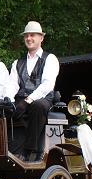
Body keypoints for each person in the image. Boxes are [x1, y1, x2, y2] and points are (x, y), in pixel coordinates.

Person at [9, 21, 59, 162]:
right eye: (26, 36)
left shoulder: (50, 59)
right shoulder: (17, 63)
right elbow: (12, 85)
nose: (29, 38)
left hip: (42, 99)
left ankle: (30, 150)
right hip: (21, 98)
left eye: (32, 35)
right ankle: (10, 149)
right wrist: (8, 100)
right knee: (4, 109)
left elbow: (47, 84)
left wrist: (28, 100)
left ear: (41, 38)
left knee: (37, 107)